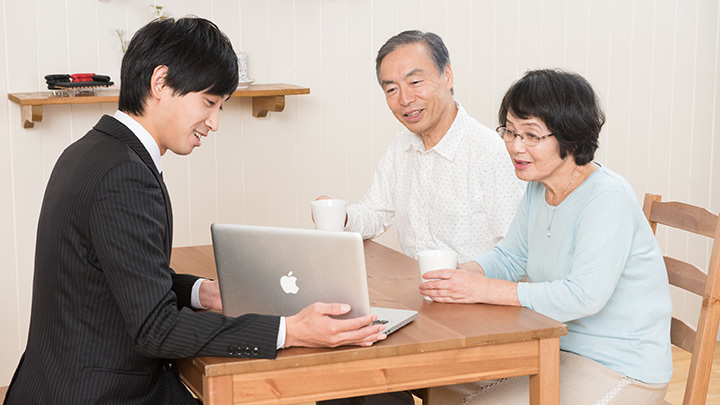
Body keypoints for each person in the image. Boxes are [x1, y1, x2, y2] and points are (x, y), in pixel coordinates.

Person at [4, 17, 386, 405]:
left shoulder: (90, 151)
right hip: (102, 394)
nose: (214, 123)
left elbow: (124, 278)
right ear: (160, 83)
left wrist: (204, 293)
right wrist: (289, 331)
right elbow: (155, 329)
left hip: (56, 383)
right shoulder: (124, 175)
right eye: (209, 102)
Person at [419, 69, 673, 403]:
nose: (515, 146)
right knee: (441, 385)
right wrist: (463, 274)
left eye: (532, 136)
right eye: (510, 132)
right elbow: (511, 257)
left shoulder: (607, 197)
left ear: (571, 138)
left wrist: (483, 289)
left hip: (621, 365)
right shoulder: (539, 188)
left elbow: (583, 297)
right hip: (557, 347)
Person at [317, 30, 524, 262]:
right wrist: (342, 217)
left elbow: (516, 252)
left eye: (415, 82)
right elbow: (375, 212)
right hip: (414, 283)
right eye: (392, 89)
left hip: (474, 284)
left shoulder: (491, 153)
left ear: (447, 76)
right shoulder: (400, 148)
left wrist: (471, 277)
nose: (405, 99)